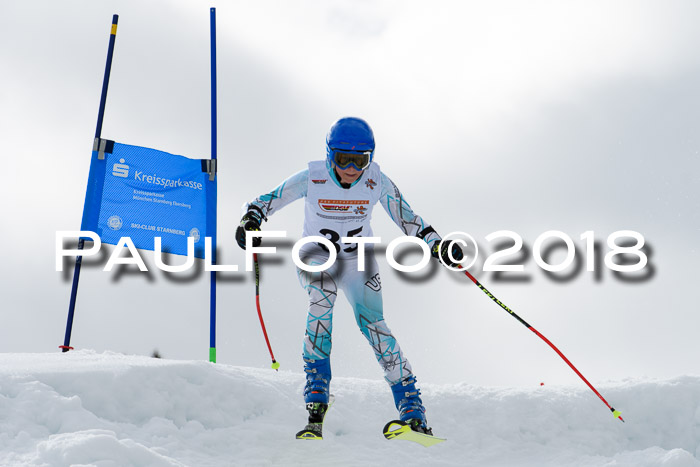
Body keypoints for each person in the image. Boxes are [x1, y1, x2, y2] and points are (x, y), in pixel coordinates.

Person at [236, 117, 463, 439]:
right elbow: (265, 202)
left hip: (359, 258)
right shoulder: (312, 177)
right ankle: (316, 396)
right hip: (317, 255)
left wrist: (436, 244)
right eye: (345, 159)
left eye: (361, 160)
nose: (352, 170)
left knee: (374, 325)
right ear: (330, 155)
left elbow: (410, 219)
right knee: (321, 300)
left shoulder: (377, 180)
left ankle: (412, 410)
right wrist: (250, 220)